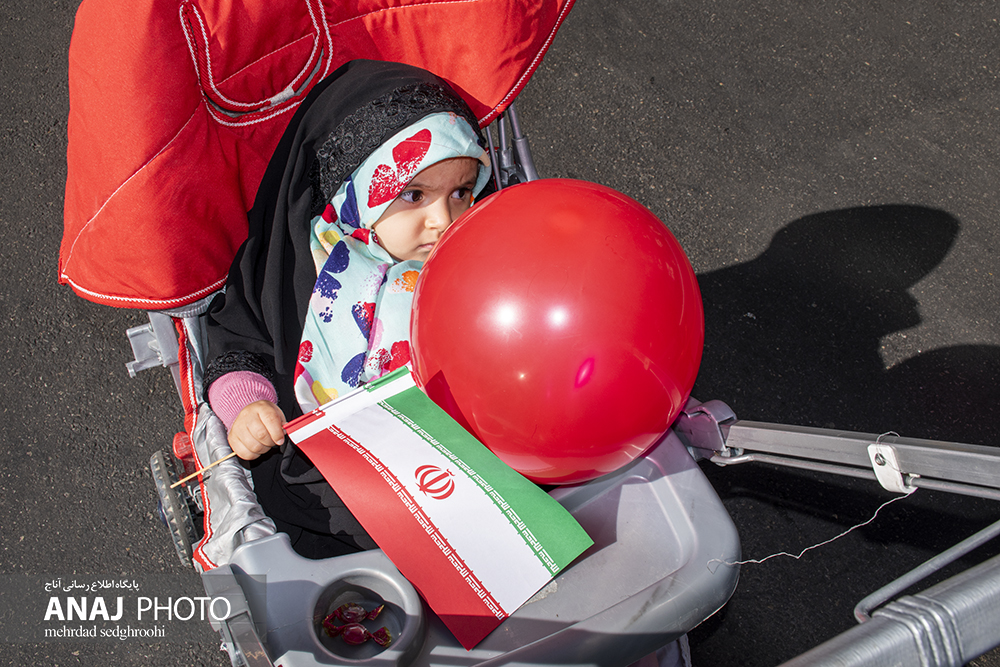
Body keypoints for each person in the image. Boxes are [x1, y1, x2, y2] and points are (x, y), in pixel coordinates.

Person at [203, 59, 492, 559]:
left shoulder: (475, 259)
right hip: (332, 483)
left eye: (461, 193)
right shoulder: (297, 266)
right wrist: (249, 408)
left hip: (462, 461)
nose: (442, 219)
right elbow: (239, 344)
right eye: (414, 195)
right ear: (353, 191)